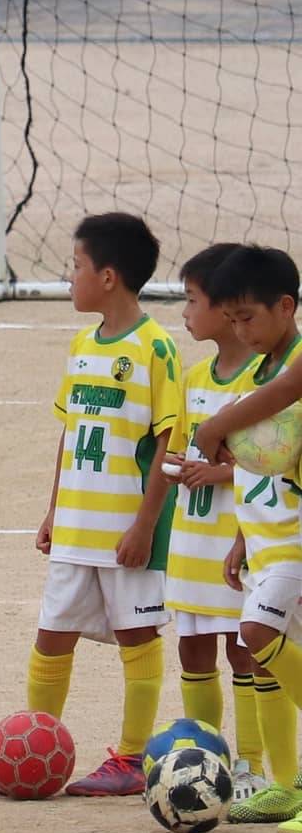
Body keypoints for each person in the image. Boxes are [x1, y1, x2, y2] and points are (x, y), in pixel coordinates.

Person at [28, 213, 181, 796]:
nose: (70, 278)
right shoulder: (81, 345)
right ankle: (38, 747)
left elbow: (169, 440)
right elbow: (70, 434)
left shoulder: (155, 348)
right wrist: (54, 510)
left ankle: (132, 758)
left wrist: (145, 524)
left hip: (126, 531)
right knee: (51, 636)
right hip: (76, 525)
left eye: (77, 267)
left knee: (137, 638)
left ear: (109, 277)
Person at [188, 246, 302, 833]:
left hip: (297, 543)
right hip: (265, 541)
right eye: (231, 320)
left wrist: (216, 424)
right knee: (269, 659)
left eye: (248, 318)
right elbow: (260, 469)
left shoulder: (294, 363)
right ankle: (286, 784)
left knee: (257, 633)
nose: (240, 331)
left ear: (286, 307)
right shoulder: (256, 374)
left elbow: (283, 394)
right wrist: (239, 537)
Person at [162, 244, 266, 801]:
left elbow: (268, 462)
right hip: (192, 540)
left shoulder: (262, 381)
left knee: (243, 649)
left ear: (227, 309)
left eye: (192, 300)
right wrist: (179, 466)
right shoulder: (194, 376)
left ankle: (252, 765)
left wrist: (220, 473)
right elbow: (184, 449)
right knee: (193, 648)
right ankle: (207, 759)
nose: (185, 312)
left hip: (235, 537)